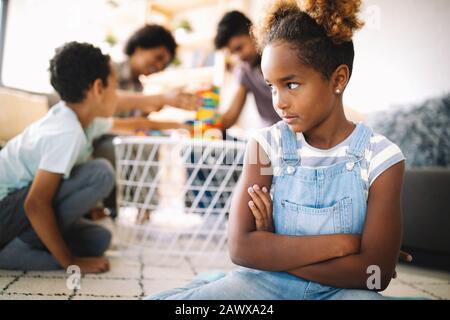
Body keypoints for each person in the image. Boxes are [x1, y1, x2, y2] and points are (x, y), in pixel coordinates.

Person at [148, 0, 409, 300]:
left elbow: (375, 273)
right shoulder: (264, 146)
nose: (279, 102)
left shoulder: (382, 157)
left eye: (292, 85)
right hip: (265, 285)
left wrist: (274, 250)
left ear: (338, 79)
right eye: (272, 86)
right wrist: (344, 245)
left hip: (343, 293)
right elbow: (242, 248)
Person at [0, 41, 184, 272]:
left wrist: (181, 125)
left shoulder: (82, 120)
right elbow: (36, 203)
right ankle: (18, 250)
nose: (117, 96)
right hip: (6, 211)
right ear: (98, 88)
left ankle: (29, 247)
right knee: (100, 173)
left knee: (99, 240)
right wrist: (70, 262)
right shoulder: (66, 132)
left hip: (16, 212)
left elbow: (135, 124)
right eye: (115, 87)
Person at [214, 11, 281, 129]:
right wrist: (204, 125)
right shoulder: (245, 72)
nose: (239, 57)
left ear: (253, 33)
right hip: (273, 136)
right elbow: (231, 117)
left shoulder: (281, 55)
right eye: (234, 52)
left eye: (239, 48)